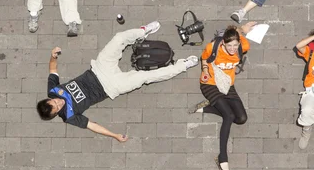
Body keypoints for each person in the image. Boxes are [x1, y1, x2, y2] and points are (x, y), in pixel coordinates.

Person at [36, 21, 198, 140]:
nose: (59, 103)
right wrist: (114, 135)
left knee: (119, 38)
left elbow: (52, 69)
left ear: (50, 99)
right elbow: (92, 126)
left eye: (55, 102)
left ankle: (142, 32)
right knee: (145, 77)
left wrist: (53, 56)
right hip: (110, 87)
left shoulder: (53, 90)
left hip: (98, 69)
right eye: (57, 108)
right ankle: (183, 65)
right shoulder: (69, 116)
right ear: (56, 114)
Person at [189, 22, 255, 170]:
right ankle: (222, 158)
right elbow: (204, 58)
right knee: (229, 116)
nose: (232, 49)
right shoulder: (213, 47)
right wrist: (205, 70)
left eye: (235, 45)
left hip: (227, 84)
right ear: (223, 42)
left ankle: (209, 107)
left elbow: (239, 39)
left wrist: (241, 30)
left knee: (241, 118)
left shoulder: (243, 46)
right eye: (229, 45)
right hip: (210, 84)